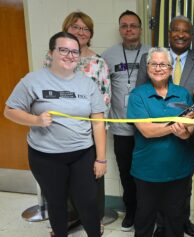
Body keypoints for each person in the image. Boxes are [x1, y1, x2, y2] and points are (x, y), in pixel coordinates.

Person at [4, 32, 107, 237]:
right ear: (51, 52)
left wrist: (101, 159)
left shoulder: (87, 84)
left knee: (87, 201)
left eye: (74, 51)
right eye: (63, 50)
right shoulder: (32, 80)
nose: (70, 55)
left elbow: (98, 122)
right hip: (46, 156)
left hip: (82, 154)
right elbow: (9, 111)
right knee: (57, 202)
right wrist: (36, 120)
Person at [136, 15, 194, 237]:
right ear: (169, 33)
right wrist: (172, 124)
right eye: (176, 30)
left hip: (189, 132)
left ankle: (180, 222)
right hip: (153, 140)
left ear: (192, 36)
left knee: (181, 183)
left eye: (186, 31)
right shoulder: (151, 62)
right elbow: (141, 92)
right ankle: (161, 225)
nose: (181, 34)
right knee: (151, 197)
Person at [44, 11, 111, 232]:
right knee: (61, 179)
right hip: (58, 133)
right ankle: (68, 218)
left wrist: (97, 129)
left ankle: (94, 219)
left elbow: (105, 98)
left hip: (90, 133)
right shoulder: (51, 58)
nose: (81, 32)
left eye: (85, 29)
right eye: (76, 27)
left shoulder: (98, 62)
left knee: (93, 177)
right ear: (66, 29)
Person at [102, 10, 150, 231]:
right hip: (121, 129)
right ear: (120, 29)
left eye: (133, 25)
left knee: (148, 172)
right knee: (126, 173)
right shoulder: (108, 56)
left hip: (147, 129)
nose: (129, 29)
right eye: (124, 26)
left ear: (141, 29)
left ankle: (148, 212)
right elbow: (103, 91)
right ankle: (131, 211)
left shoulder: (152, 53)